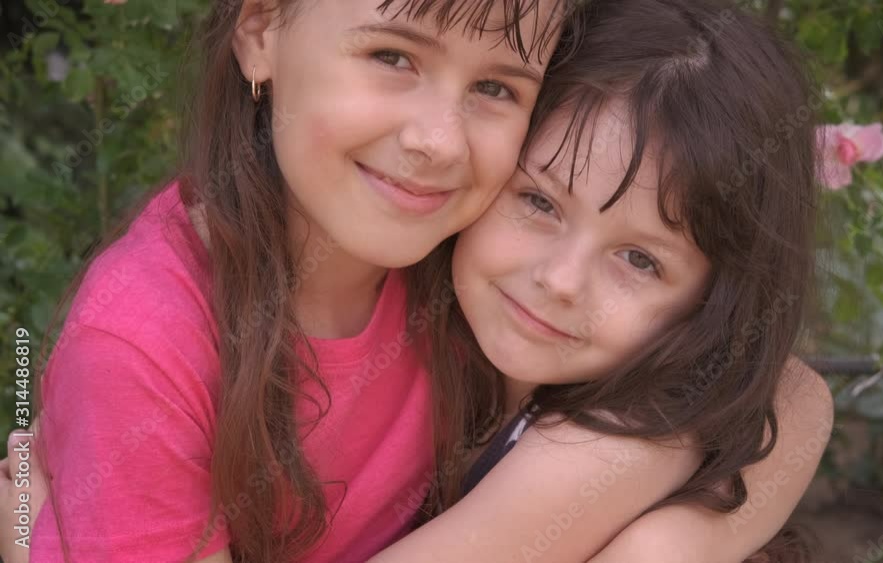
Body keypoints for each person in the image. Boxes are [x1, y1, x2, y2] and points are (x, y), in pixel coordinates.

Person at [0, 0, 832, 561]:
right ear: (260, 27)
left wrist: (668, 544)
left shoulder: (452, 253)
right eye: (392, 55)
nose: (438, 141)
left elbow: (787, 389)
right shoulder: (146, 347)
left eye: (495, 88)